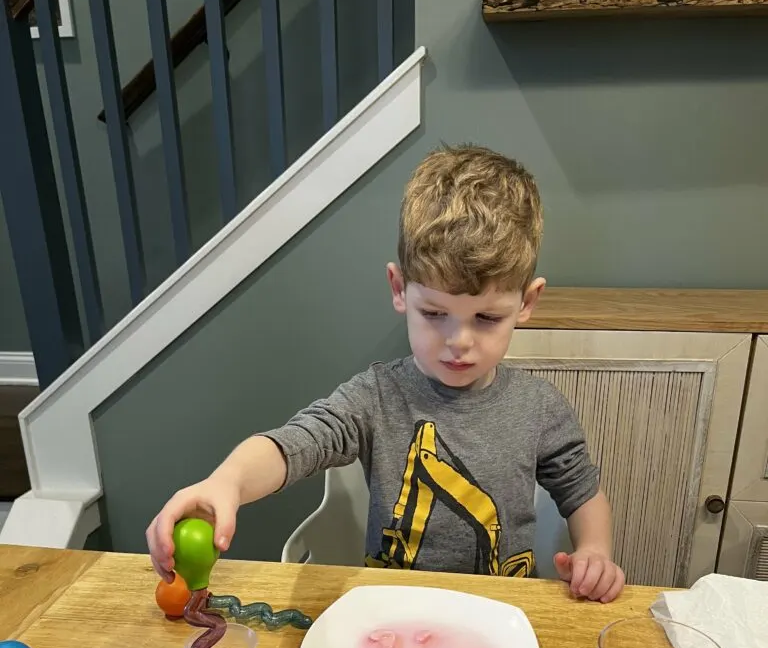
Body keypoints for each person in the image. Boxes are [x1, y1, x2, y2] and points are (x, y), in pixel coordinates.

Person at [147, 144, 625, 603]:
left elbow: (584, 494)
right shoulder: (375, 397)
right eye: (435, 314)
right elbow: (295, 443)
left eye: (487, 318)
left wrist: (595, 551)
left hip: (502, 614)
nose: (459, 341)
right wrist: (227, 481)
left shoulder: (540, 408)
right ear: (400, 289)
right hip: (391, 615)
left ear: (527, 302)